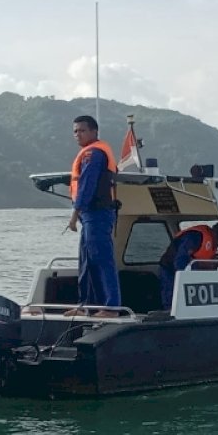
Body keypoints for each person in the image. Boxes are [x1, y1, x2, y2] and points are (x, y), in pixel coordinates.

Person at [64, 115, 121, 318]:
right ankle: (86, 305)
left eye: (82, 130)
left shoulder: (94, 154)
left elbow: (87, 186)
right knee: (86, 260)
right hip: (90, 216)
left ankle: (111, 307)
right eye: (75, 131)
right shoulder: (88, 153)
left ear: (94, 132)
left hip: (97, 213)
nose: (77, 134)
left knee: (102, 258)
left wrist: (74, 215)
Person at [158, 222, 218, 310]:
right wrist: (188, 278)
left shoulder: (212, 243)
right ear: (215, 234)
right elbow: (180, 261)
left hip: (188, 271)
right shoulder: (194, 237)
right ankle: (169, 316)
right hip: (169, 269)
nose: (217, 244)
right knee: (171, 298)